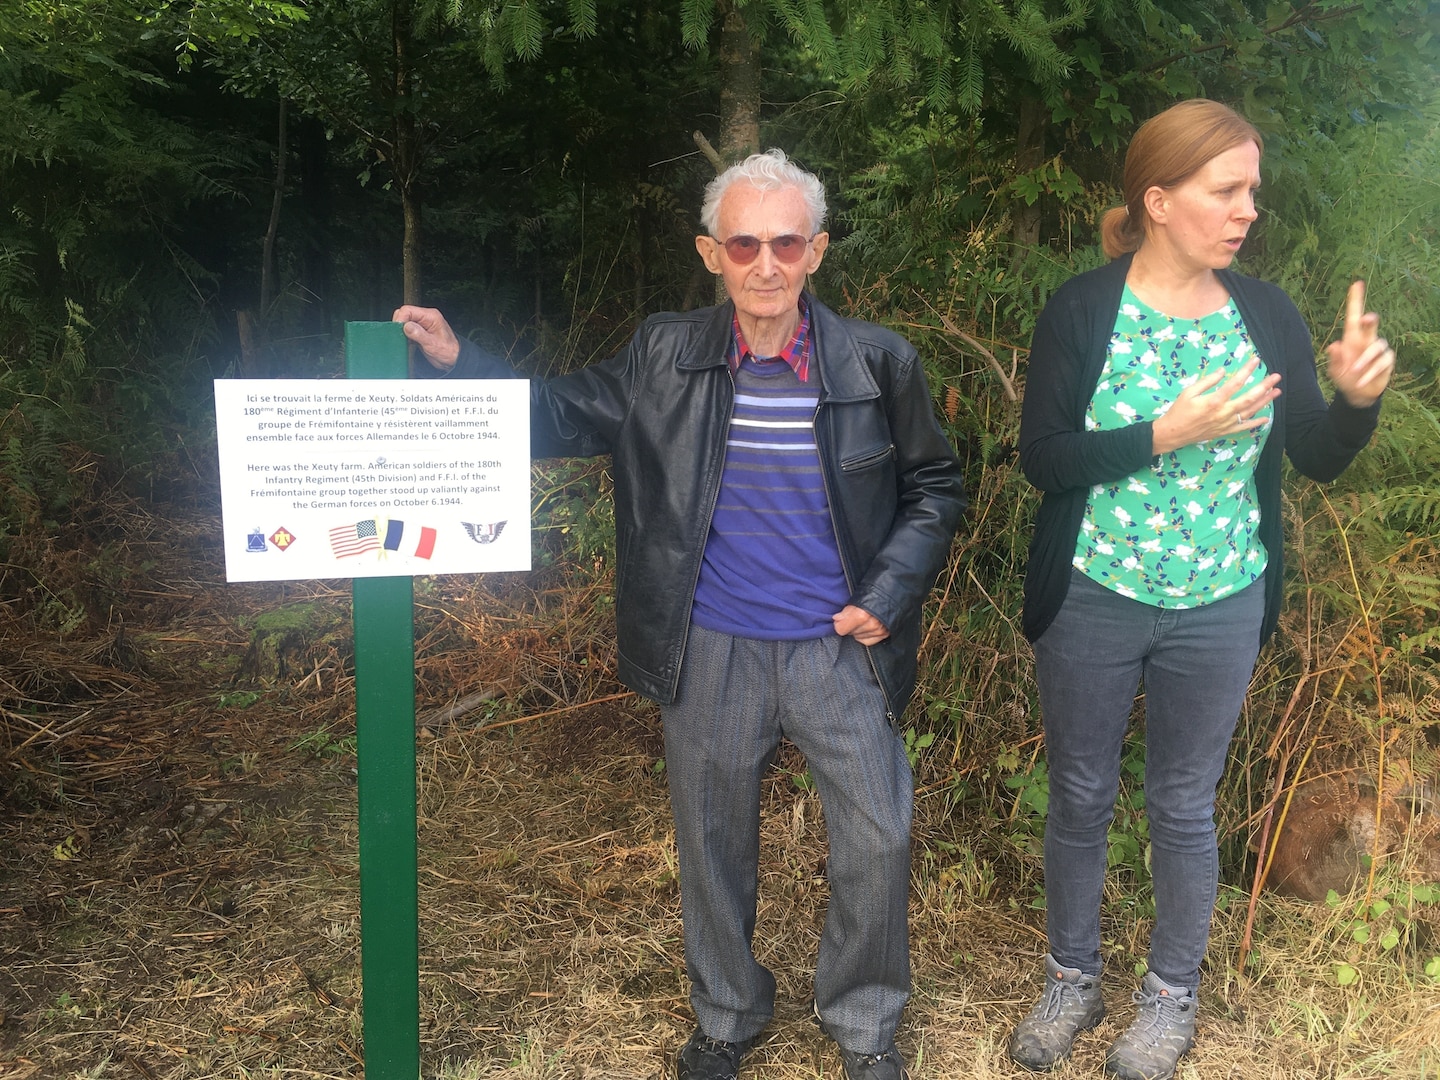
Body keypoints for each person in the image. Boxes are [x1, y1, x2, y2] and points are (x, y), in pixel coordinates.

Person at [394, 149, 965, 1080]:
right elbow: (562, 414)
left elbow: (935, 487)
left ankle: (863, 1024)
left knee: (879, 834)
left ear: (816, 251)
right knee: (710, 841)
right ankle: (729, 1013)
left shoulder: (876, 361)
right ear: (712, 253)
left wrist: (886, 596)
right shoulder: (666, 352)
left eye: (787, 242)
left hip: (840, 647)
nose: (766, 264)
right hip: (710, 647)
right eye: (745, 243)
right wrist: (464, 364)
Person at [1008, 99, 1394, 1080]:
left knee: (1183, 804)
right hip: (1095, 590)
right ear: (1160, 200)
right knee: (1082, 796)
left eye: (1252, 192)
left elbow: (1313, 455)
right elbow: (1044, 460)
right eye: (1227, 191)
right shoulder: (1084, 310)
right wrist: (1160, 435)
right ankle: (1071, 979)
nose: (1246, 210)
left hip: (1220, 600)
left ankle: (1170, 1002)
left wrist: (1353, 404)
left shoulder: (1263, 314)